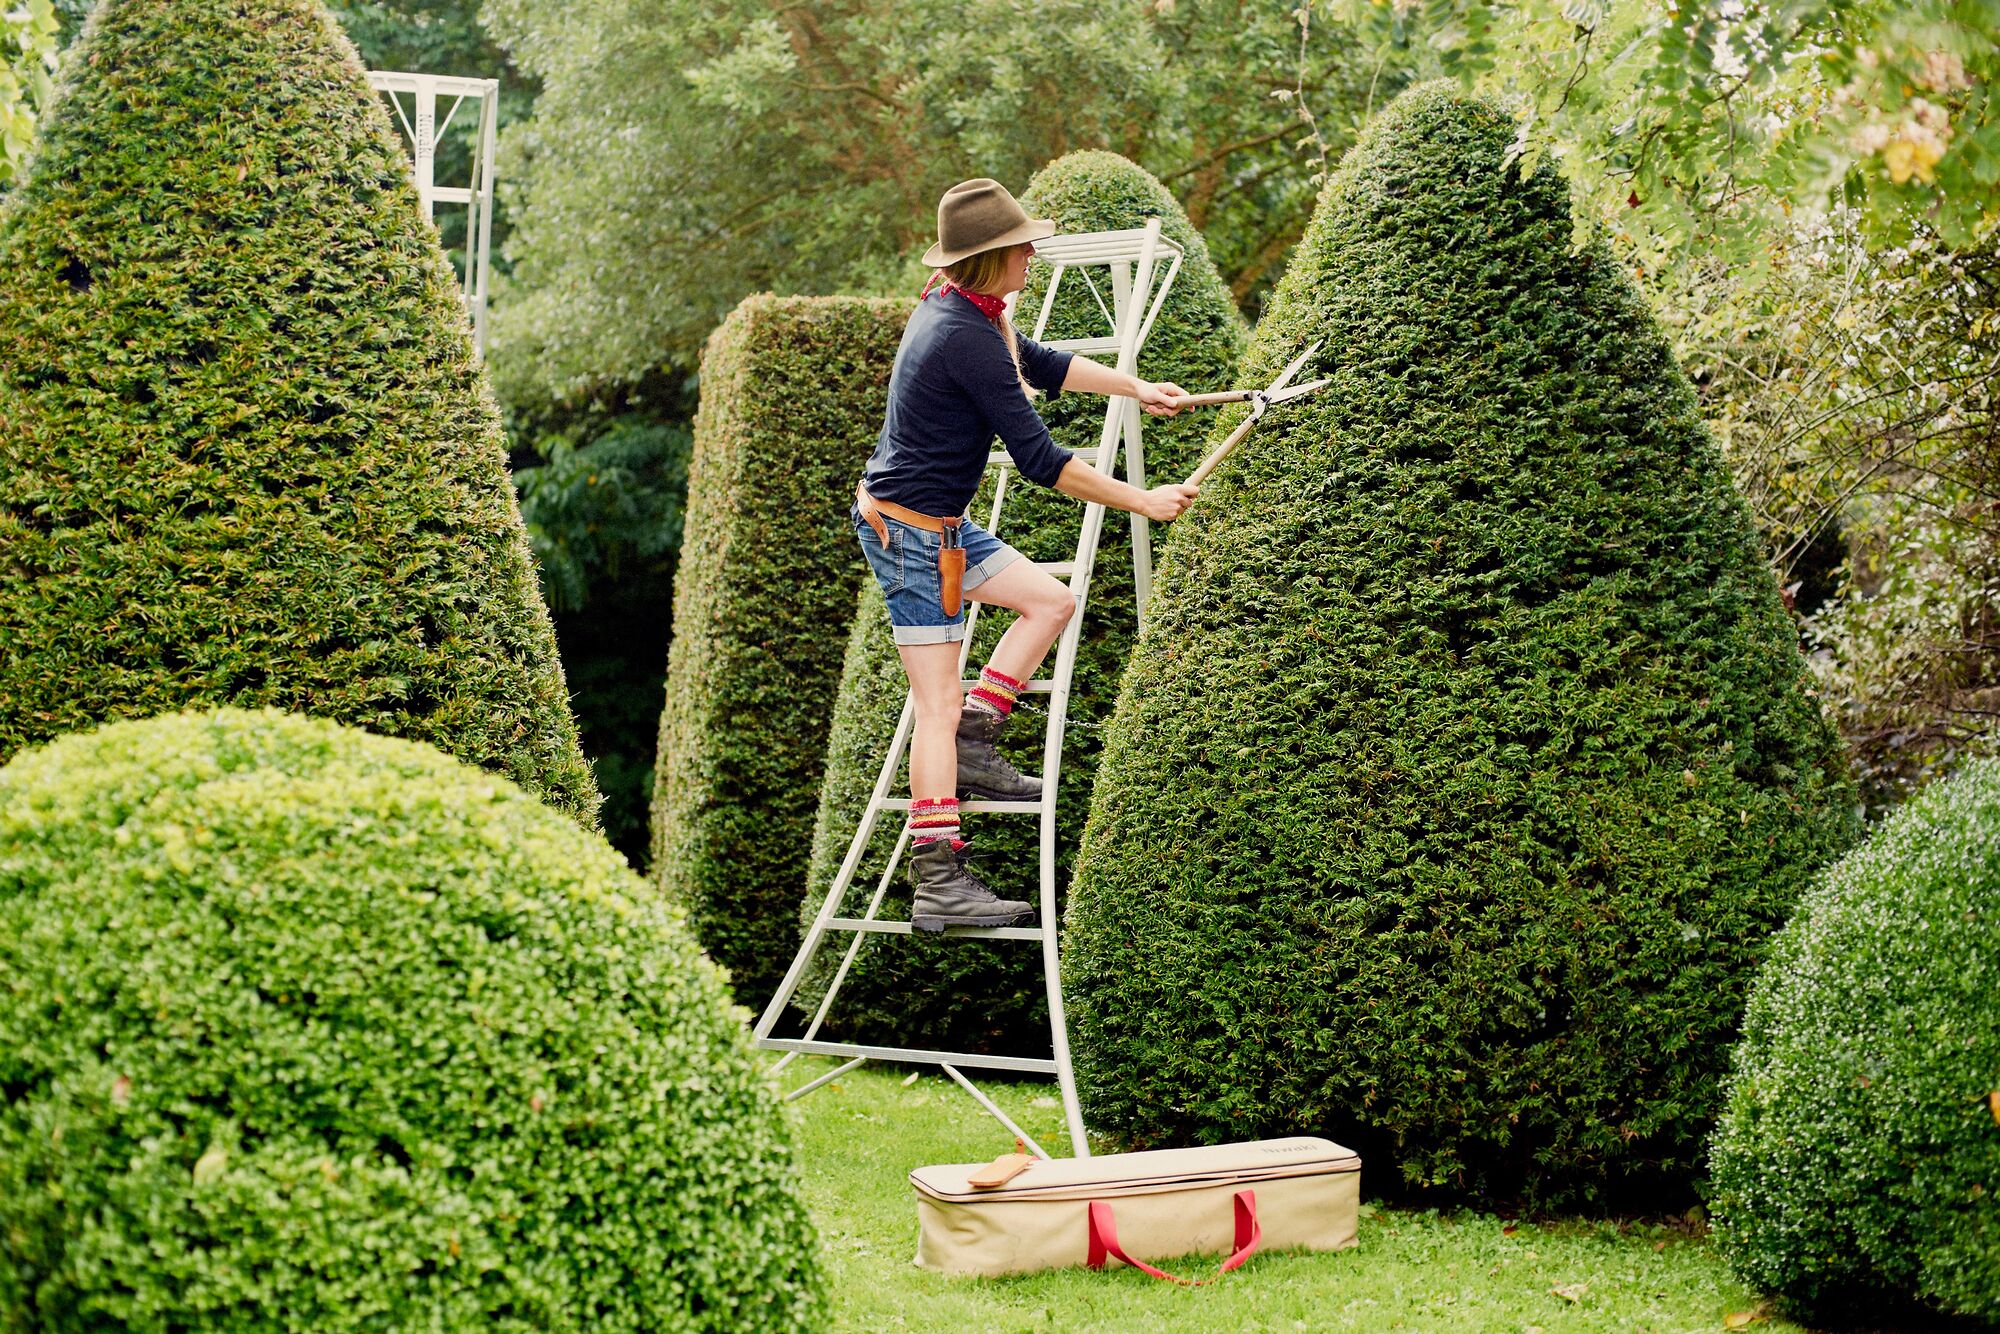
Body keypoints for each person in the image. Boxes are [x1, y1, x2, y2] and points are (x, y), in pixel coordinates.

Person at [852, 177, 1199, 933]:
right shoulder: (960, 334)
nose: (1033, 255)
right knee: (933, 708)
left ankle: (979, 739)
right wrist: (1143, 501)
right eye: (1023, 247)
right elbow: (1041, 460)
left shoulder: (973, 312)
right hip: (912, 537)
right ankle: (937, 878)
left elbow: (1042, 364)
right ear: (992, 257)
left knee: (1051, 599)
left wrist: (1136, 388)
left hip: (937, 525)